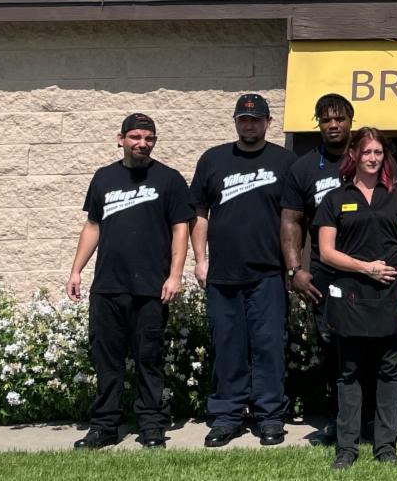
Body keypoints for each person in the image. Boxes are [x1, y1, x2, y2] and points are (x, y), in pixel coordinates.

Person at [65, 114, 192, 450]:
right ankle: (104, 426)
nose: (142, 143)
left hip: (151, 288)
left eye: (149, 138)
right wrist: (76, 270)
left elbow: (181, 228)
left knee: (149, 359)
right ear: (120, 139)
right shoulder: (103, 177)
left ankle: (151, 426)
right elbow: (93, 225)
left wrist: (175, 275)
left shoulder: (169, 179)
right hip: (107, 287)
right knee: (106, 361)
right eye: (135, 137)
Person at [190, 93, 296, 448]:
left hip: (268, 273)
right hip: (223, 274)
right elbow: (199, 213)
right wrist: (200, 260)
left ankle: (270, 417)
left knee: (269, 347)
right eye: (243, 119)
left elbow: (296, 219)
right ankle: (227, 417)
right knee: (227, 347)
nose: (249, 125)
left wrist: (294, 267)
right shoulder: (213, 160)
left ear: (268, 122)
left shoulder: (285, 162)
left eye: (256, 119)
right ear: (236, 122)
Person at [314, 127, 397, 469]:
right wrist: (366, 268)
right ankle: (347, 447)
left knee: (389, 371)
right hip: (351, 298)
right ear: (354, 155)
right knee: (349, 372)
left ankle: (385, 446)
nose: (372, 158)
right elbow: (326, 252)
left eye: (378, 152)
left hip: (391, 295)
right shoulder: (334, 198)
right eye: (366, 152)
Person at [280, 93, 353, 444]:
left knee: (372, 348)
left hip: (369, 273)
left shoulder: (367, 157)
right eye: (326, 120)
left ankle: (373, 421)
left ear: (350, 121)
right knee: (332, 349)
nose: (333, 125)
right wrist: (295, 270)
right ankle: (340, 421)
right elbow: (291, 221)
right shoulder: (304, 167)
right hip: (325, 275)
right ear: (318, 124)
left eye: (339, 118)